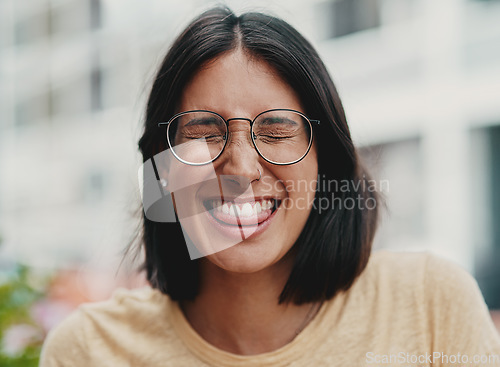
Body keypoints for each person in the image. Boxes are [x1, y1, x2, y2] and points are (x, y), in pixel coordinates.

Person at [40, 7, 500, 366]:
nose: (239, 168)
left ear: (327, 163)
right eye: (202, 134)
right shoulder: (86, 353)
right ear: (161, 170)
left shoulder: (432, 307)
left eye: (277, 133)